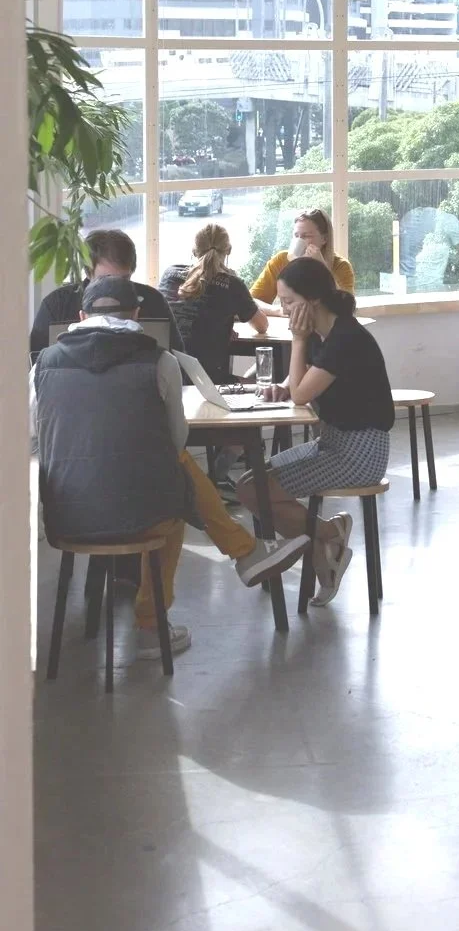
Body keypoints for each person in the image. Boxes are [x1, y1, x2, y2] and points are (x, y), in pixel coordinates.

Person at [31, 276, 310, 660]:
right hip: (144, 515)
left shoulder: (42, 365)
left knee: (170, 477)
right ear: (138, 315)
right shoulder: (159, 361)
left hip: (66, 518)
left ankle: (244, 552)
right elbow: (176, 440)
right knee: (174, 488)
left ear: (81, 316)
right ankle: (154, 623)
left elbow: (36, 434)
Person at [237, 257, 395, 606]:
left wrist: (296, 340)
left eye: (290, 301)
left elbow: (303, 393)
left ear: (314, 300)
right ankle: (329, 538)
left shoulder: (345, 338)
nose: (283, 308)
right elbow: (301, 381)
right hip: (333, 442)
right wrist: (282, 384)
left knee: (256, 492)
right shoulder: (325, 334)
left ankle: (328, 544)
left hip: (360, 453)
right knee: (248, 487)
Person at [30, 227, 183, 357]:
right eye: (106, 279)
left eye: (124, 279)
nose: (115, 288)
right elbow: (36, 365)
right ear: (88, 273)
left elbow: (177, 357)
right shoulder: (57, 306)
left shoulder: (153, 300)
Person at [159, 222, 266, 384]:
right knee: (260, 370)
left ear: (194, 251)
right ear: (228, 250)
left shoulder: (170, 274)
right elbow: (262, 326)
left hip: (166, 373)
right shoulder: (232, 284)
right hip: (208, 380)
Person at [251, 208, 355, 312]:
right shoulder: (281, 260)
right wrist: (279, 311)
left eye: (306, 236)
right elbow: (250, 301)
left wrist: (322, 267)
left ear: (324, 239)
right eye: (296, 236)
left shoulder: (341, 266)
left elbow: (346, 308)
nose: (299, 240)